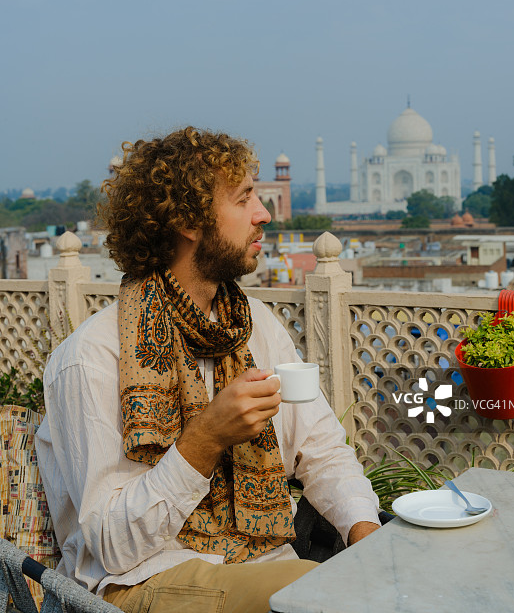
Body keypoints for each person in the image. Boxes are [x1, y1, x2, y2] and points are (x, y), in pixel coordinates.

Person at [36, 127, 381, 613]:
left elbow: (321, 450)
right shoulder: (92, 355)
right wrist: (204, 439)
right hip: (141, 580)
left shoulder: (255, 326)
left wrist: (365, 531)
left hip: (260, 559)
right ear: (187, 221)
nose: (264, 214)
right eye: (244, 199)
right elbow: (110, 547)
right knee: (326, 593)